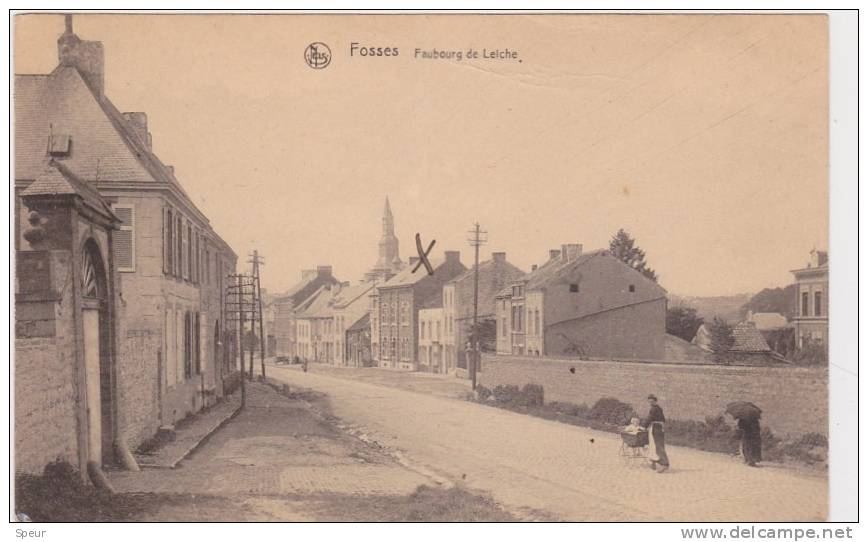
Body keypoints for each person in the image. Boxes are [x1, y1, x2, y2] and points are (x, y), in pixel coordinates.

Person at [641, 394, 670, 473]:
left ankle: (664, 464)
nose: (651, 403)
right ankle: (653, 462)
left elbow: (649, 418)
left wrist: (643, 426)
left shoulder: (654, 409)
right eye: (649, 401)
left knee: (658, 445)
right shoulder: (659, 409)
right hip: (658, 427)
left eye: (652, 401)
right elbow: (663, 419)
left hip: (656, 428)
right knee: (653, 445)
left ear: (655, 401)